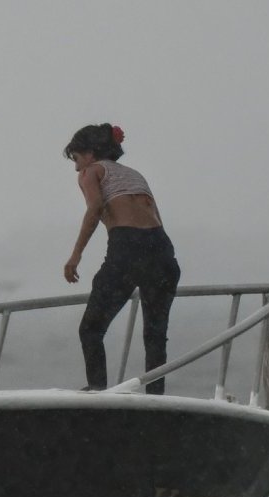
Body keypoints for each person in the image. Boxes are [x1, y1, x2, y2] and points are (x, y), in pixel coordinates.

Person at [63, 123, 181, 394]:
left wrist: (75, 256)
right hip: (162, 250)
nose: (76, 168)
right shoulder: (135, 175)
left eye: (77, 159)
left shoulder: (92, 172)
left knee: (91, 329)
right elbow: (156, 219)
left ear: (90, 154)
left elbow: (94, 210)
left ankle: (97, 390)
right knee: (155, 335)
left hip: (128, 247)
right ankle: (156, 400)